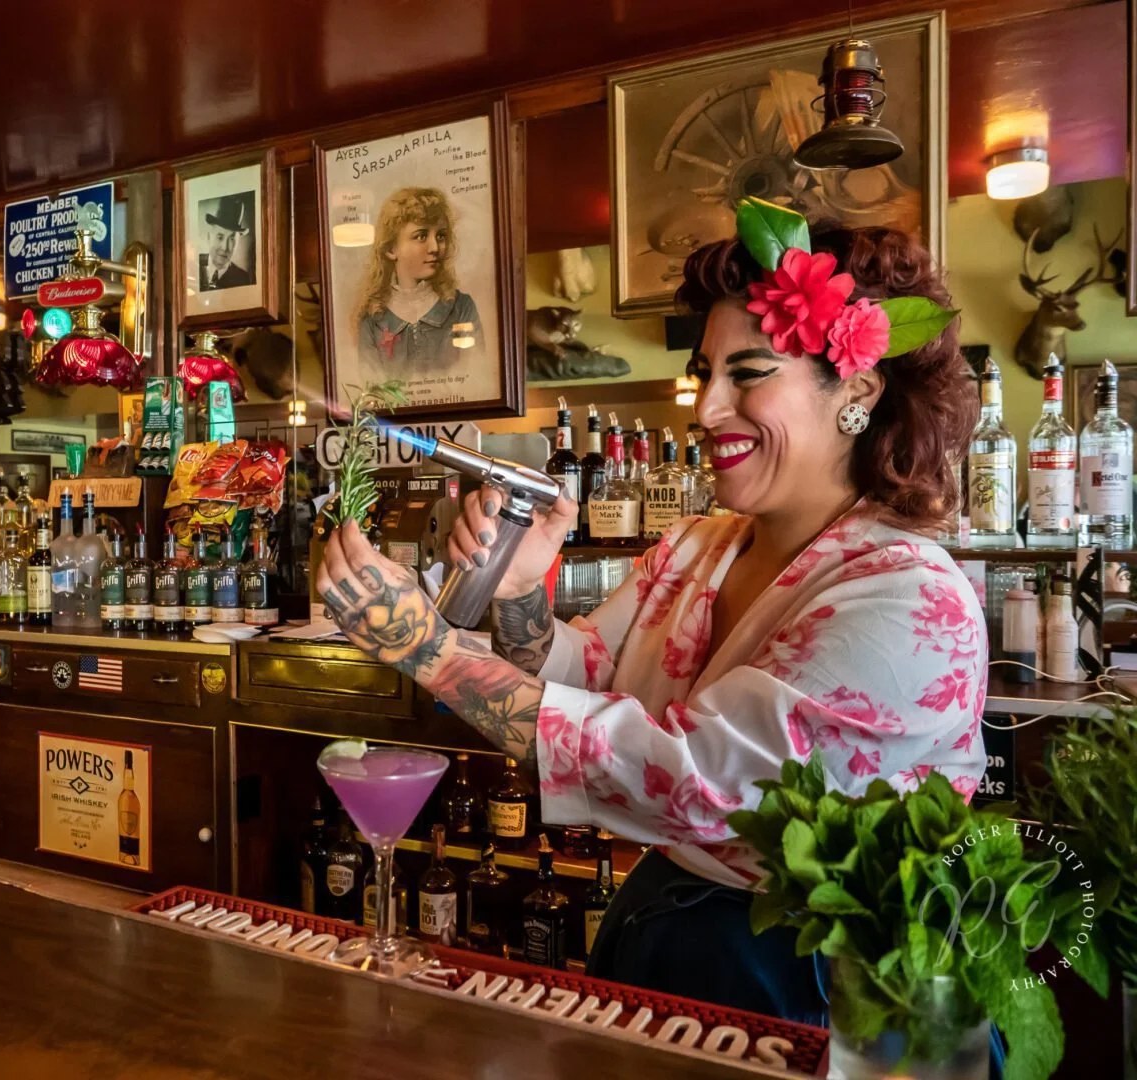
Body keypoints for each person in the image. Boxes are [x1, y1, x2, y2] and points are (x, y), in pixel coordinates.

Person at [316, 212, 986, 1026]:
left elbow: (691, 779)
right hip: (665, 932)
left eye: (746, 374)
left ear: (857, 390)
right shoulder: (702, 545)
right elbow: (588, 671)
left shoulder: (909, 598)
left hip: (819, 987)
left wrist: (430, 649)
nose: (704, 409)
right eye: (705, 372)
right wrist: (522, 593)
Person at [356, 187, 483, 371]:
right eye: (421, 236)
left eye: (440, 236)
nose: (434, 247)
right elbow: (370, 390)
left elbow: (476, 378)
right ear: (391, 249)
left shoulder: (461, 308)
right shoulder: (372, 321)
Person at [199, 194, 254, 291]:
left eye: (232, 239)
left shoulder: (244, 280)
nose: (225, 247)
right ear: (209, 237)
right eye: (220, 237)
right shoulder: (194, 267)